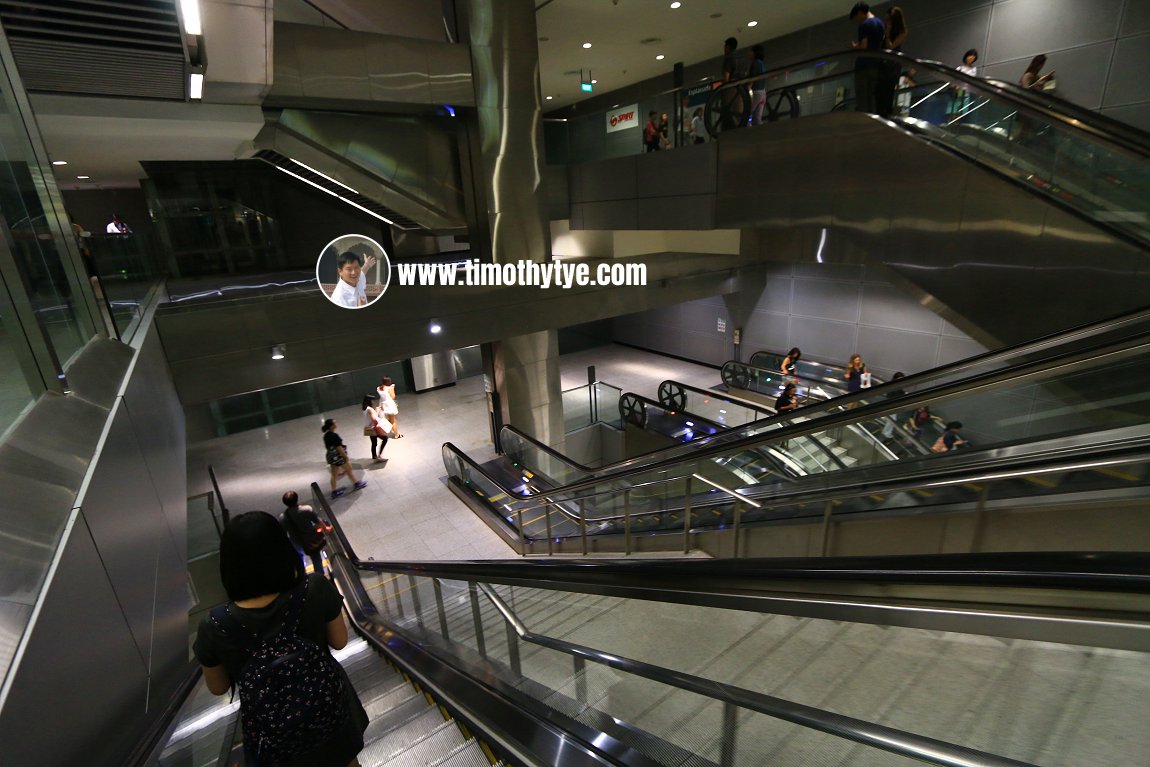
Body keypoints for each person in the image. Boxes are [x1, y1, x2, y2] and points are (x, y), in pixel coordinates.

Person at [194, 511, 368, 767]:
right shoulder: (315, 588)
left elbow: (218, 688)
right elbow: (340, 641)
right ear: (282, 549)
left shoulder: (214, 624)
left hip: (274, 736)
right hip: (330, 714)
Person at [849, 3, 885, 115]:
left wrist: (855, 47)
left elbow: (864, 46)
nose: (857, 22)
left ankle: (863, 123)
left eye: (856, 19)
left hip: (864, 66)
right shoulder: (880, 23)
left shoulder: (865, 24)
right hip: (876, 64)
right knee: (872, 97)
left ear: (860, 13)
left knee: (863, 98)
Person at [280, 490, 328, 575]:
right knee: (316, 560)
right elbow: (319, 522)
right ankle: (320, 577)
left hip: (296, 543)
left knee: (300, 560)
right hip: (311, 542)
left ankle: (303, 576)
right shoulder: (306, 510)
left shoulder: (283, 517)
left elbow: (284, 533)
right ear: (297, 499)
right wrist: (325, 529)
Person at [323, 418, 366, 498]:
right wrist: (345, 457)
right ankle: (356, 484)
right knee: (349, 469)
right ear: (332, 426)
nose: (336, 424)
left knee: (334, 475)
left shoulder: (326, 435)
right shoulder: (334, 436)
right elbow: (339, 448)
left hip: (331, 457)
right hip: (339, 457)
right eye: (334, 423)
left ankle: (334, 491)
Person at [876, 6, 907, 118]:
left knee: (888, 93)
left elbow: (890, 47)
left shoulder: (902, 32)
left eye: (889, 19)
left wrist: (888, 33)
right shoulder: (883, 29)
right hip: (881, 64)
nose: (886, 21)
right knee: (878, 92)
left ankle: (886, 116)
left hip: (892, 65)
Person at [718, 36, 744, 131]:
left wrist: (723, 86)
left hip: (730, 89)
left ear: (728, 47)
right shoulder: (741, 58)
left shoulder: (728, 58)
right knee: (739, 114)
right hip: (741, 90)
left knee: (728, 113)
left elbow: (726, 77)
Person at [361, 393, 388, 462]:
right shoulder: (369, 409)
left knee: (374, 443)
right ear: (369, 401)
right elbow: (373, 418)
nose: (373, 402)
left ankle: (375, 456)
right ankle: (379, 456)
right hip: (373, 428)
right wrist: (377, 411)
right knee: (385, 438)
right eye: (372, 400)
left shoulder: (365, 408)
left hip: (368, 428)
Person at [748, 44, 767, 125]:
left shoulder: (755, 63)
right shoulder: (762, 64)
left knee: (746, 114)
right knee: (757, 118)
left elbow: (753, 78)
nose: (749, 54)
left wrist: (748, 88)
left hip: (756, 93)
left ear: (755, 53)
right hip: (763, 93)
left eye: (751, 52)